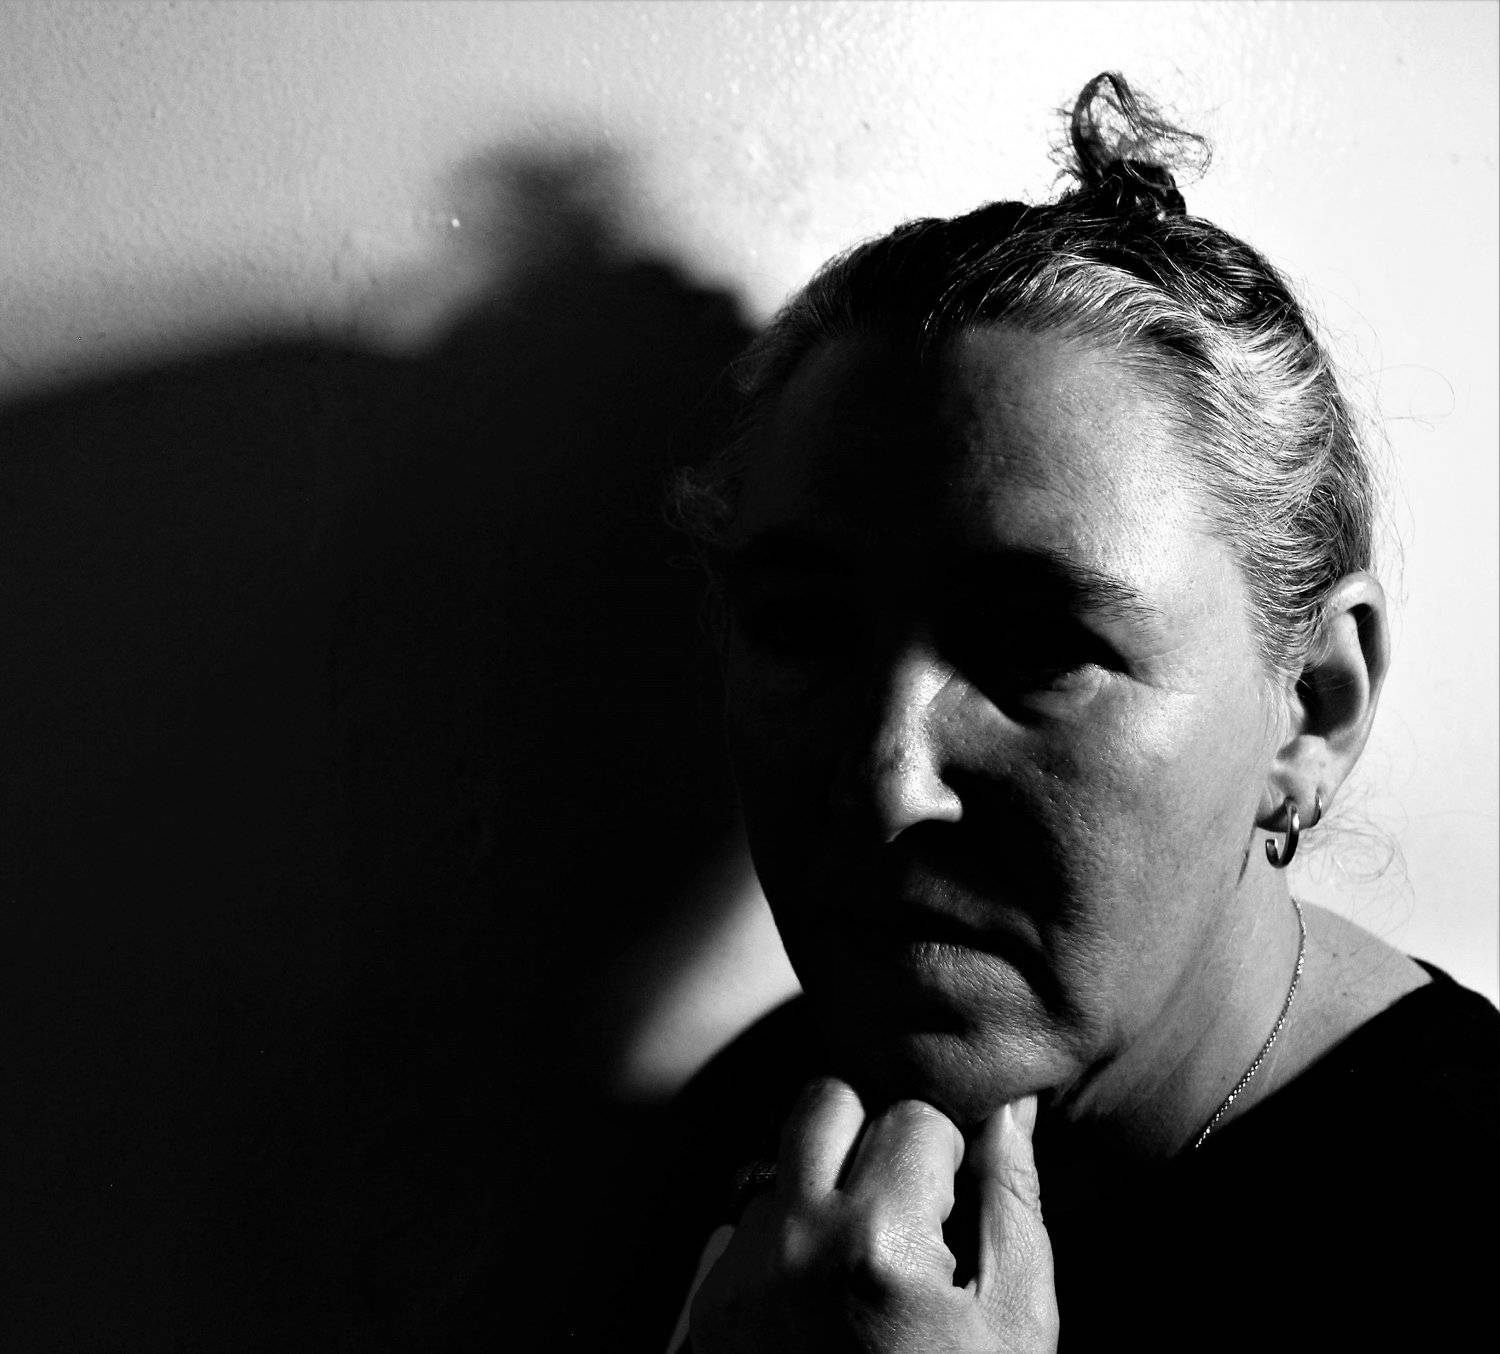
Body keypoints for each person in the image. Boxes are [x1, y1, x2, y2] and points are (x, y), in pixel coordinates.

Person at [653, 73, 1499, 1352]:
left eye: (1042, 651)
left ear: (1313, 709)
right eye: (803, 628)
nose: (889, 780)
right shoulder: (760, 1126)